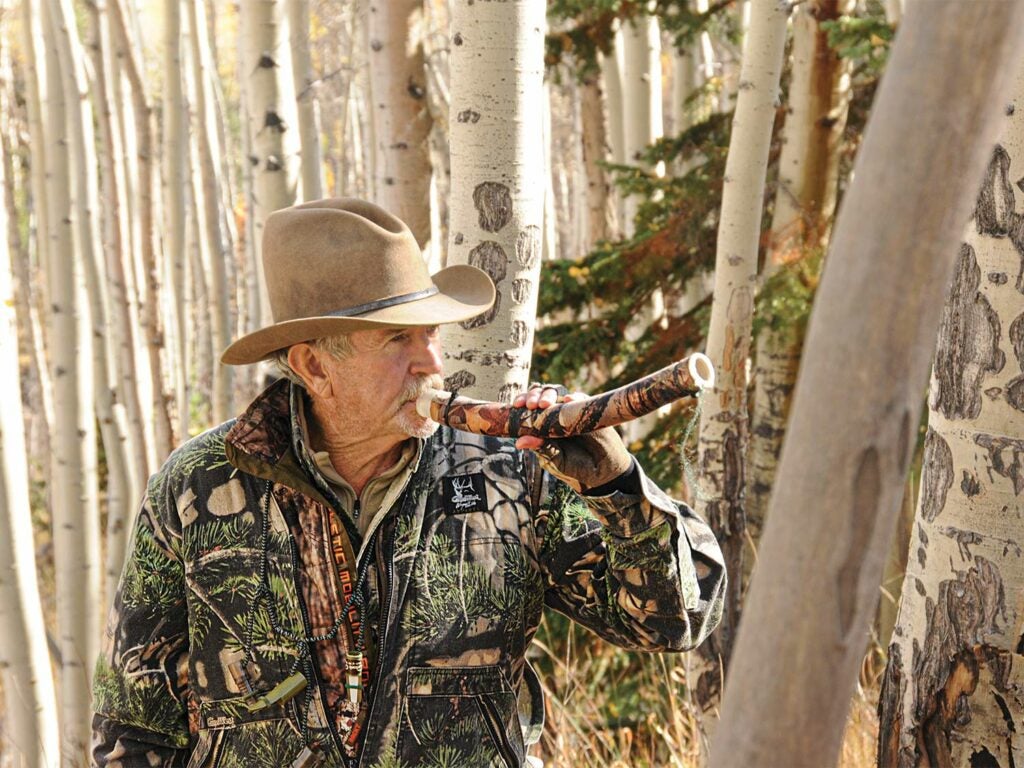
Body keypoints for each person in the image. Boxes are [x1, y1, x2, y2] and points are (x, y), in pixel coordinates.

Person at [91, 198, 725, 768]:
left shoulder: (509, 469)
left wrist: (617, 488)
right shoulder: (197, 487)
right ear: (315, 366)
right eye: (398, 340)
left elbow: (678, 621)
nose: (433, 363)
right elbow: (134, 722)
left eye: (431, 334)